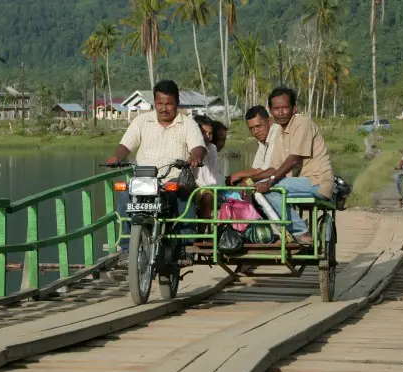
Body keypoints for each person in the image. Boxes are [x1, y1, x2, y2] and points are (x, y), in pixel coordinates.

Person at [106, 79, 206, 253]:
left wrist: (195, 157)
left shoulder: (188, 123)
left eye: (169, 104)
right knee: (124, 200)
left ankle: (185, 246)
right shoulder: (141, 121)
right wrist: (117, 157)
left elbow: (198, 147)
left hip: (174, 178)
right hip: (145, 179)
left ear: (177, 103)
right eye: (160, 103)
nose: (164, 108)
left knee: (185, 198)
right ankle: (126, 248)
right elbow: (125, 146)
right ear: (154, 102)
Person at [245, 88, 334, 245]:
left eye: (285, 108)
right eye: (276, 109)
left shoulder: (302, 123)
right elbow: (274, 167)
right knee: (258, 190)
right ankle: (280, 232)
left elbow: (293, 160)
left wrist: (270, 182)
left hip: (317, 181)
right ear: (271, 111)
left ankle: (300, 232)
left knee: (271, 189)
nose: (281, 112)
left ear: (294, 108)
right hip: (301, 182)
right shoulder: (279, 132)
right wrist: (250, 180)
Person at [228, 106, 280, 186]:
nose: (255, 132)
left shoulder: (277, 135)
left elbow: (265, 171)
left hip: (286, 182)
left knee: (247, 184)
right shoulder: (262, 139)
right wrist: (238, 176)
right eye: (251, 128)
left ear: (269, 121)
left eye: (258, 126)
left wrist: (240, 177)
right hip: (270, 180)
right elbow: (256, 169)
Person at [193, 115, 224, 219]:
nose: (207, 137)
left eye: (210, 133)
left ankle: (203, 234)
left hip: (206, 187)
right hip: (191, 185)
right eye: (203, 133)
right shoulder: (189, 145)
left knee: (208, 197)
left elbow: (214, 173)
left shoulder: (212, 148)